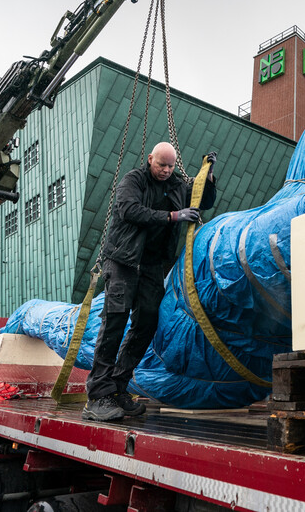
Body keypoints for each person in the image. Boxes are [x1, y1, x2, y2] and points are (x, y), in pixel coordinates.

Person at [83, 142, 217, 422]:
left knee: (146, 324)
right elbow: (128, 210)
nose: (167, 171)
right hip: (123, 262)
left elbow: (203, 201)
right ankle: (97, 395)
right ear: (150, 160)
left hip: (152, 267)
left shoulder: (177, 183)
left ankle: (118, 388)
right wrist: (172, 216)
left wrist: (209, 176)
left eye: (170, 166)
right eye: (162, 165)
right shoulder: (134, 180)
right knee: (115, 322)